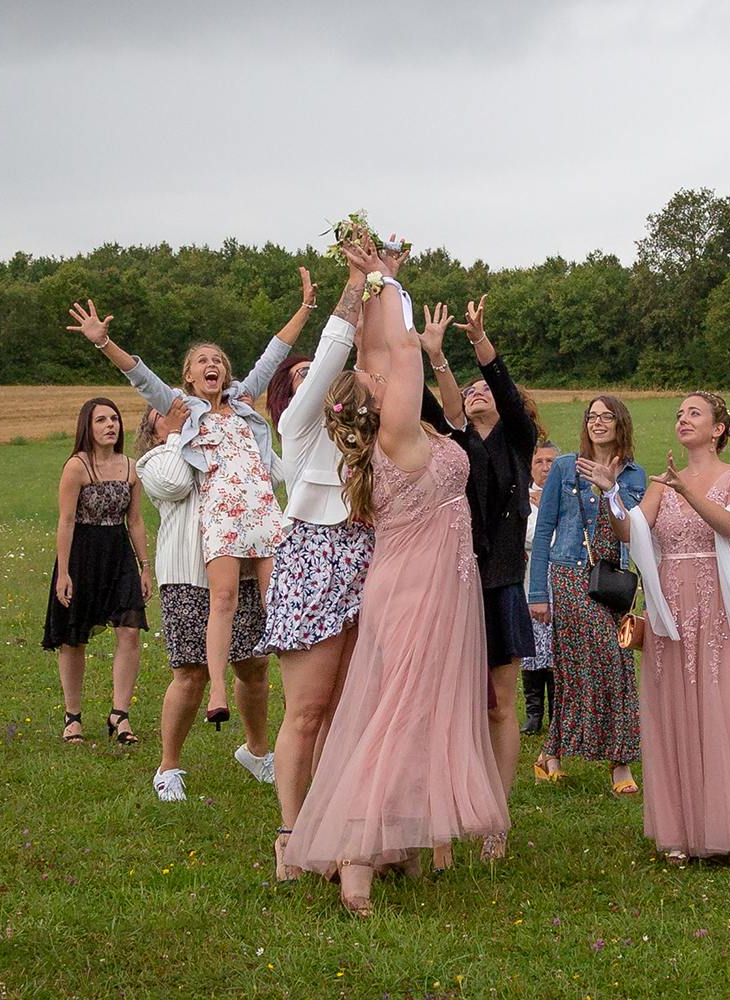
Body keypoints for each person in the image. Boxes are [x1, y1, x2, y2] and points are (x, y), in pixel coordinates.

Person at [284, 236, 508, 916]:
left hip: (442, 587)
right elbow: (400, 350)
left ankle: (400, 841)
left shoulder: (417, 435)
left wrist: (385, 286)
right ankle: (355, 859)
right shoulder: (397, 438)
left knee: (418, 712)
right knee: (395, 715)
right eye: (376, 379)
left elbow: (394, 354)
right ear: (374, 403)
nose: (383, 371)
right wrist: (380, 282)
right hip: (414, 590)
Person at [66, 271, 314, 728]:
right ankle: (217, 689)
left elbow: (274, 353)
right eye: (202, 360)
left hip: (261, 508)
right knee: (223, 600)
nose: (211, 364)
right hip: (221, 512)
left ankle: (299, 693)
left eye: (217, 359)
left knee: (277, 601)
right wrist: (104, 342)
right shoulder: (184, 407)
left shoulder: (242, 402)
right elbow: (140, 377)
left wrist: (305, 308)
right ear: (188, 375)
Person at [578, 392, 730, 874]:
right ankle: (683, 829)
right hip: (670, 612)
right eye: (679, 414)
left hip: (718, 609)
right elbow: (632, 533)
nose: (683, 419)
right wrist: (612, 494)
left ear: (718, 428)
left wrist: (689, 491)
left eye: (694, 413)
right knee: (675, 711)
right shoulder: (660, 482)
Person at [256, 259, 374, 881]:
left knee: (345, 712)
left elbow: (375, 363)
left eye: (321, 376)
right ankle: (290, 833)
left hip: (369, 566)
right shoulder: (297, 428)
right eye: (301, 377)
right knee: (305, 712)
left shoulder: (372, 438)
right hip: (312, 566)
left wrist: (384, 284)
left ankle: (331, 827)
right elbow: (334, 350)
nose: (315, 379)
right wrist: (355, 286)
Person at [419, 296, 537, 811]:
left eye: (483, 388)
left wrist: (478, 342)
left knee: (499, 707)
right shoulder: (453, 445)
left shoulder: (519, 440)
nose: (476, 394)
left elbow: (508, 391)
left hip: (502, 583)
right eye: (468, 391)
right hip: (454, 581)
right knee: (451, 703)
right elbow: (422, 404)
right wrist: (430, 352)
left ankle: (498, 809)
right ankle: (452, 803)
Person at [133, 400, 273, 801]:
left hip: (240, 569)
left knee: (254, 666)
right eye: (166, 409)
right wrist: (179, 433)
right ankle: (169, 765)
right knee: (191, 673)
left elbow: (270, 477)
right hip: (188, 576)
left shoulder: (221, 440)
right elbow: (177, 483)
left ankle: (257, 751)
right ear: (152, 426)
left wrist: (247, 429)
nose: (180, 410)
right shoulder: (157, 460)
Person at [529, 397, 646, 794]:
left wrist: (611, 488)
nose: (597, 423)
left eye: (606, 416)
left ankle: (550, 755)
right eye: (592, 417)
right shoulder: (564, 467)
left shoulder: (633, 474)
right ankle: (620, 765)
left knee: (577, 668)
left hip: (613, 581)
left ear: (620, 424)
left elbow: (635, 530)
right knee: (613, 661)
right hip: (571, 576)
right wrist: (537, 592)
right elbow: (543, 532)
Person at [42, 398, 150, 745]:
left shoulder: (131, 467)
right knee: (74, 637)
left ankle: (120, 714)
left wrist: (145, 567)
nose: (110, 425)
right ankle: (72, 717)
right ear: (87, 427)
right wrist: (63, 572)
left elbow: (134, 520)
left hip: (119, 555)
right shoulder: (76, 466)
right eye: (101, 420)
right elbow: (66, 519)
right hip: (81, 556)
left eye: (114, 419)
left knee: (130, 631)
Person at [520, 439, 560, 735]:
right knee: (532, 645)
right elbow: (528, 535)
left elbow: (567, 537)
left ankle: (557, 712)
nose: (545, 467)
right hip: (531, 577)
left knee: (556, 645)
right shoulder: (522, 497)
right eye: (539, 462)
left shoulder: (566, 496)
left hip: (561, 577)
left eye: (551, 462)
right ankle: (534, 713)